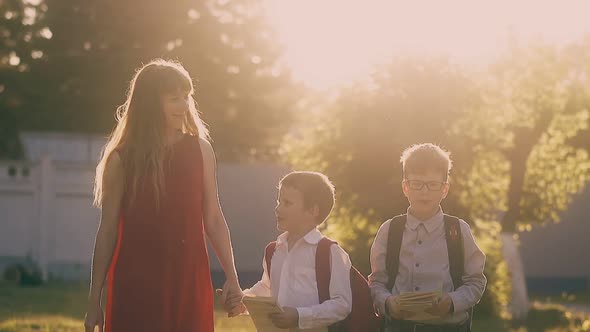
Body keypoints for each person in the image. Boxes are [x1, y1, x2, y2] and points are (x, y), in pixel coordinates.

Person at [84, 59, 242, 332]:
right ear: (149, 104)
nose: (184, 106)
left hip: (189, 279)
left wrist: (232, 278)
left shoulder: (201, 151)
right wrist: (94, 299)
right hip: (136, 283)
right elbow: (107, 231)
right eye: (174, 99)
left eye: (186, 97)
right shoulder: (121, 160)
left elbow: (214, 219)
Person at [369, 143, 486, 332]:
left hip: (448, 327)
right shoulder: (389, 230)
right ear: (405, 187)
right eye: (417, 184)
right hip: (399, 327)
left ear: (445, 189)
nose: (425, 192)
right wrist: (388, 303)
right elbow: (377, 282)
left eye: (433, 185)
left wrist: (452, 301)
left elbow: (476, 281)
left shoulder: (458, 231)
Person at [241, 171, 353, 332]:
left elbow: (342, 304)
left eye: (287, 203)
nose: (278, 208)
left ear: (313, 210)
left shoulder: (329, 252)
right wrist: (243, 300)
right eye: (279, 201)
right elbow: (267, 286)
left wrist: (300, 316)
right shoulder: (274, 250)